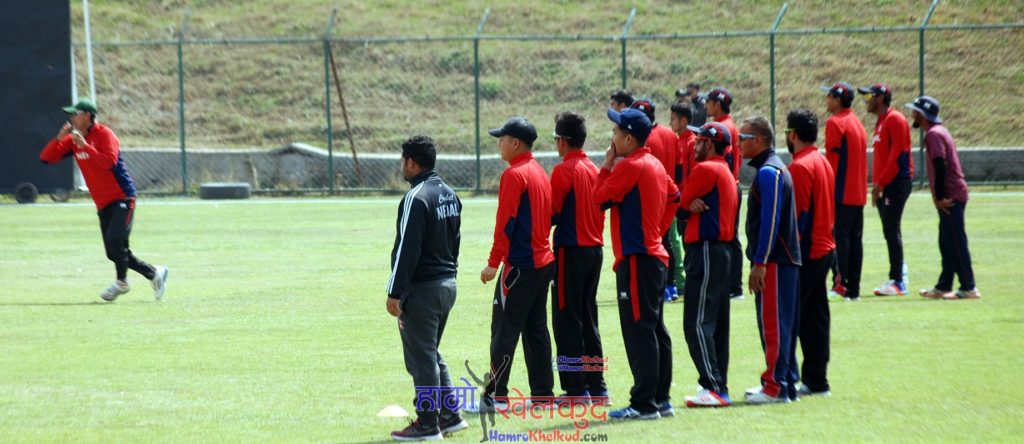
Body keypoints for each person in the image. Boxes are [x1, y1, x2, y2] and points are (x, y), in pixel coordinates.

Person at [39, 99, 168, 302]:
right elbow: (46, 158)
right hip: (102, 202)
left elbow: (109, 162)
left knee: (116, 241)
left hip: (122, 196)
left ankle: (121, 283)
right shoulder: (74, 140)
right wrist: (59, 138)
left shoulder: (105, 134)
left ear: (88, 116)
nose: (71, 117)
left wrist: (86, 146)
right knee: (113, 251)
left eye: (75, 114)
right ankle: (154, 273)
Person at [594, 108, 678, 420]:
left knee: (639, 330)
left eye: (616, 132)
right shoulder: (654, 162)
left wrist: (606, 165)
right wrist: (658, 230)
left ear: (629, 138)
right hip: (653, 256)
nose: (612, 138)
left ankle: (644, 404)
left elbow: (598, 198)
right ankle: (660, 398)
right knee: (655, 329)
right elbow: (675, 195)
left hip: (638, 259)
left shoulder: (630, 165)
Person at [386, 135, 469, 441]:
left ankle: (427, 424)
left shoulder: (415, 198)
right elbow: (456, 242)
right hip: (447, 284)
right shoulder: (450, 194)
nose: (401, 166)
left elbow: (407, 248)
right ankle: (449, 417)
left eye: (402, 161)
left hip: (423, 289)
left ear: (411, 162)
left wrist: (394, 292)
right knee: (431, 353)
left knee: (421, 359)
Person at [480, 117, 556, 408]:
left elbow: (506, 224)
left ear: (515, 143)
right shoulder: (539, 171)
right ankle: (543, 395)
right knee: (536, 330)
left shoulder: (514, 175)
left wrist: (493, 262)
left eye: (502, 138)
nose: (499, 143)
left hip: (520, 266)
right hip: (542, 262)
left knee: (504, 329)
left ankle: (497, 396)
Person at [737, 116, 802, 404]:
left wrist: (760, 262)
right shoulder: (772, 169)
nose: (739, 142)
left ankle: (775, 387)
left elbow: (770, 221)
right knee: (780, 323)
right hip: (779, 261)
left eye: (744, 137)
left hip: (775, 262)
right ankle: (785, 383)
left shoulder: (768, 172)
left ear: (759, 141)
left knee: (774, 324)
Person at [677, 122, 738, 408]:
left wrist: (687, 205)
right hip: (721, 252)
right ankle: (718, 385)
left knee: (696, 322)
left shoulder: (706, 169)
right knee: (716, 323)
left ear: (710, 144)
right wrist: (688, 204)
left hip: (705, 251)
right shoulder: (724, 169)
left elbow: (680, 201)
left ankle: (712, 386)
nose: (694, 145)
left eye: (699, 140)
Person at [549, 112, 608, 400]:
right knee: (588, 317)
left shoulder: (564, 170)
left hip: (570, 251)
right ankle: (597, 386)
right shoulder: (593, 168)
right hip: (595, 250)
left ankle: (575, 388)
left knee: (566, 320)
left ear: (563, 141)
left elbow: (552, 213)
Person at [905, 96, 981, 300]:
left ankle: (969, 287)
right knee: (946, 241)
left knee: (956, 241)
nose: (911, 113)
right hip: (951, 194)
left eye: (914, 110)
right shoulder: (936, 132)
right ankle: (944, 285)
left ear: (922, 114)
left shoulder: (933, 134)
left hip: (950, 196)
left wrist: (939, 197)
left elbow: (940, 164)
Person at [783, 109, 837, 397]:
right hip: (825, 247)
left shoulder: (801, 167)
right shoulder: (822, 160)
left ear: (793, 135)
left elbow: (799, 218)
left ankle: (788, 378)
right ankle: (817, 379)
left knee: (795, 318)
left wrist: (793, 256)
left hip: (809, 251)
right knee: (816, 317)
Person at [858, 83, 914, 296]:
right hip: (886, 184)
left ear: (880, 98)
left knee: (891, 229)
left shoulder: (895, 119)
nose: (866, 101)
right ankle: (899, 274)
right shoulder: (882, 122)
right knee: (890, 230)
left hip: (896, 182)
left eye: (869, 96)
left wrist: (880, 185)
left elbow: (898, 156)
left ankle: (898, 281)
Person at [820, 82, 868, 300]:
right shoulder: (857, 122)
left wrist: (827, 190)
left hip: (841, 192)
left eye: (829, 96)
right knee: (855, 240)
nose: (826, 100)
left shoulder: (835, 123)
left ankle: (841, 285)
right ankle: (853, 288)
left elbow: (833, 162)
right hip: (858, 193)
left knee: (839, 239)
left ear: (837, 99)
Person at [631, 99, 680, 302]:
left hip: (648, 197)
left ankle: (660, 285)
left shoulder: (640, 139)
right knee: (666, 240)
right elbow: (678, 167)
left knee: (652, 244)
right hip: (669, 194)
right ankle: (671, 284)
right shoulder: (670, 134)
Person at [705, 87, 744, 300]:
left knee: (728, 236)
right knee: (730, 236)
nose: (706, 105)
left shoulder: (723, 127)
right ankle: (733, 285)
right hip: (730, 184)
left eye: (709, 102)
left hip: (725, 185)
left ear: (717, 104)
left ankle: (734, 286)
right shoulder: (729, 124)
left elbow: (726, 161)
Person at [667, 102, 697, 301]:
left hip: (689, 202)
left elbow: (694, 175)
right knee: (682, 241)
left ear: (684, 120)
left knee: (688, 244)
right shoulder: (678, 141)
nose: (670, 123)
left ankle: (689, 283)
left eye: (673, 119)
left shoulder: (692, 143)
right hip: (681, 201)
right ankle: (685, 282)